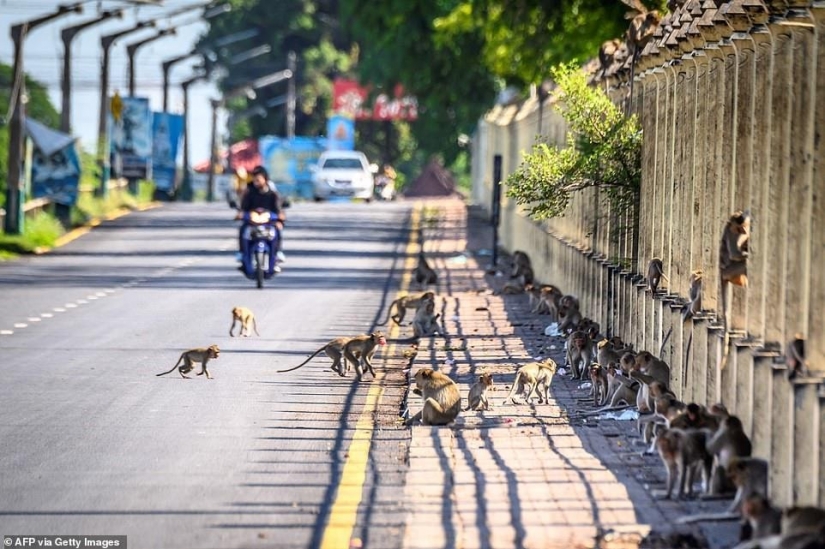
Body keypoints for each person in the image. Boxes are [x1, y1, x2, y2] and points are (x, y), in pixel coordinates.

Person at [235, 166, 286, 271]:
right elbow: (243, 207)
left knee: (277, 230)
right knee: (243, 229)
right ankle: (242, 253)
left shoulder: (272, 194)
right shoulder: (249, 193)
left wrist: (280, 219)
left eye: (258, 179)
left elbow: (278, 209)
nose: (256, 181)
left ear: (265, 179)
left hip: (268, 222)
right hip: (252, 221)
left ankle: (277, 252)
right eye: (254, 179)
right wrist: (241, 214)